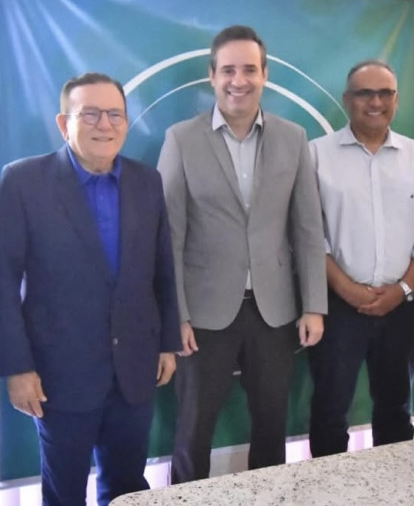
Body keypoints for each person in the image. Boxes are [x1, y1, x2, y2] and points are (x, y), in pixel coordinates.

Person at [0, 72, 181, 505]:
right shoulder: (24, 181)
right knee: (64, 494)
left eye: (115, 114)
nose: (104, 125)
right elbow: (2, 282)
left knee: (128, 488)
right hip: (59, 375)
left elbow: (163, 270)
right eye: (90, 114)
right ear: (64, 123)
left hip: (134, 369)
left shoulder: (146, 181)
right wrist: (16, 369)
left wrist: (167, 343)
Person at [158, 25, 327, 483]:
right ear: (212, 75)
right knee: (193, 430)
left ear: (265, 74)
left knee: (272, 426)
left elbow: (308, 230)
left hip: (275, 313)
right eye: (229, 70)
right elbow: (169, 236)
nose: (239, 80)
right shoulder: (181, 139)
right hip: (203, 315)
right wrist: (177, 314)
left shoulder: (294, 138)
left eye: (250, 70)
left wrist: (314, 305)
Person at [307, 60, 414, 457]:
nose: (375, 102)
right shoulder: (317, 155)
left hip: (400, 305)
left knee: (395, 409)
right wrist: (346, 289)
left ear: (396, 100)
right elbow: (308, 235)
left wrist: (402, 289)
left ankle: (394, 486)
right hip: (337, 306)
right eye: (365, 93)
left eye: (385, 93)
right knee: (330, 409)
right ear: (347, 100)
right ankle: (328, 488)